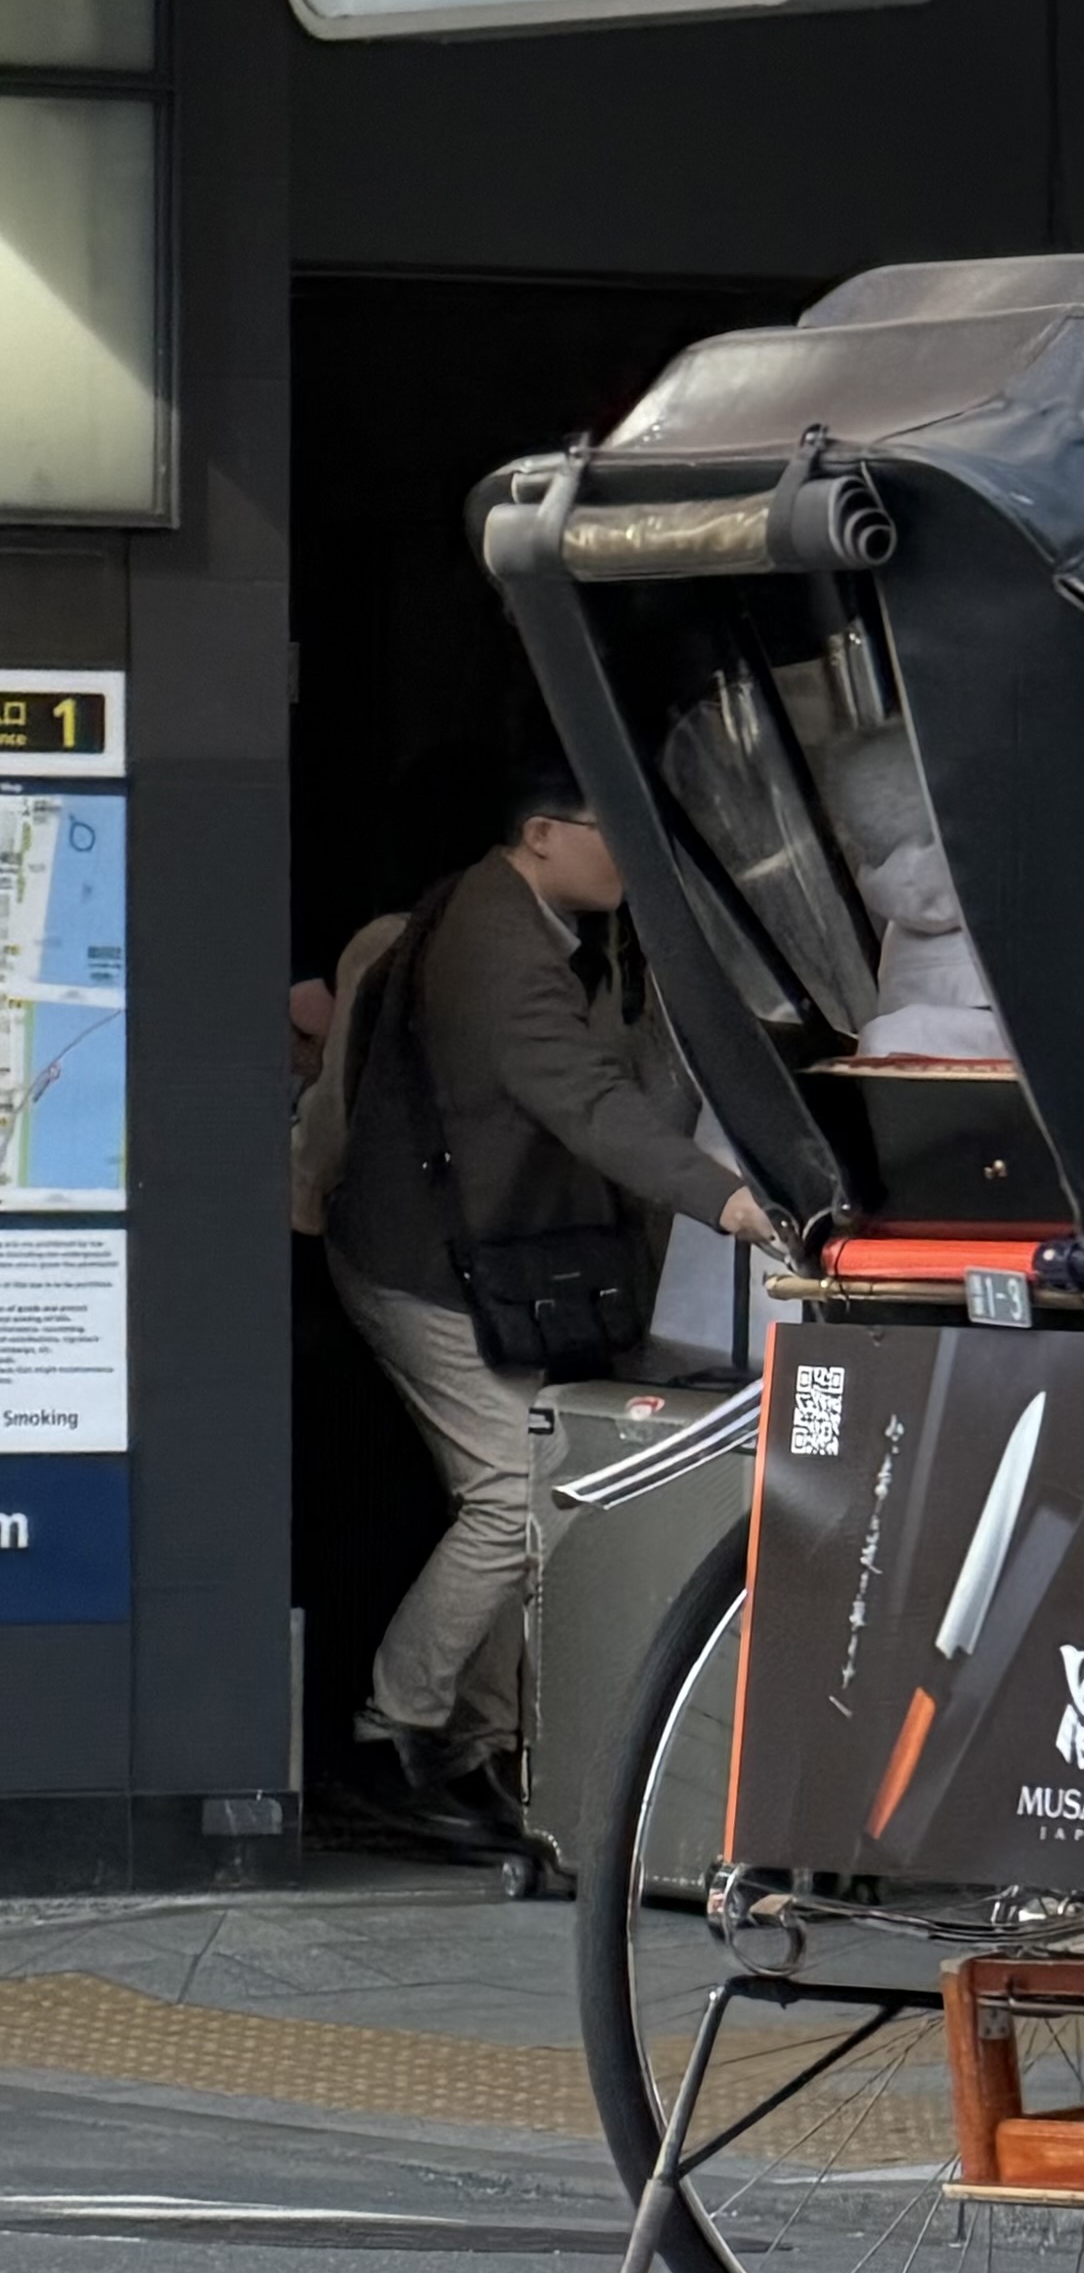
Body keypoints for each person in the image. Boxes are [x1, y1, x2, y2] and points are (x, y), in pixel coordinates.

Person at [322, 769, 777, 1852]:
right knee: (510, 1502)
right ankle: (395, 1735)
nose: (629, 856)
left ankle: (473, 1741)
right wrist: (728, 1202)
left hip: (451, 1253)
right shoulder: (502, 954)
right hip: (421, 1268)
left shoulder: (495, 903)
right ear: (540, 835)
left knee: (517, 1500)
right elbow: (584, 1101)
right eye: (610, 833)